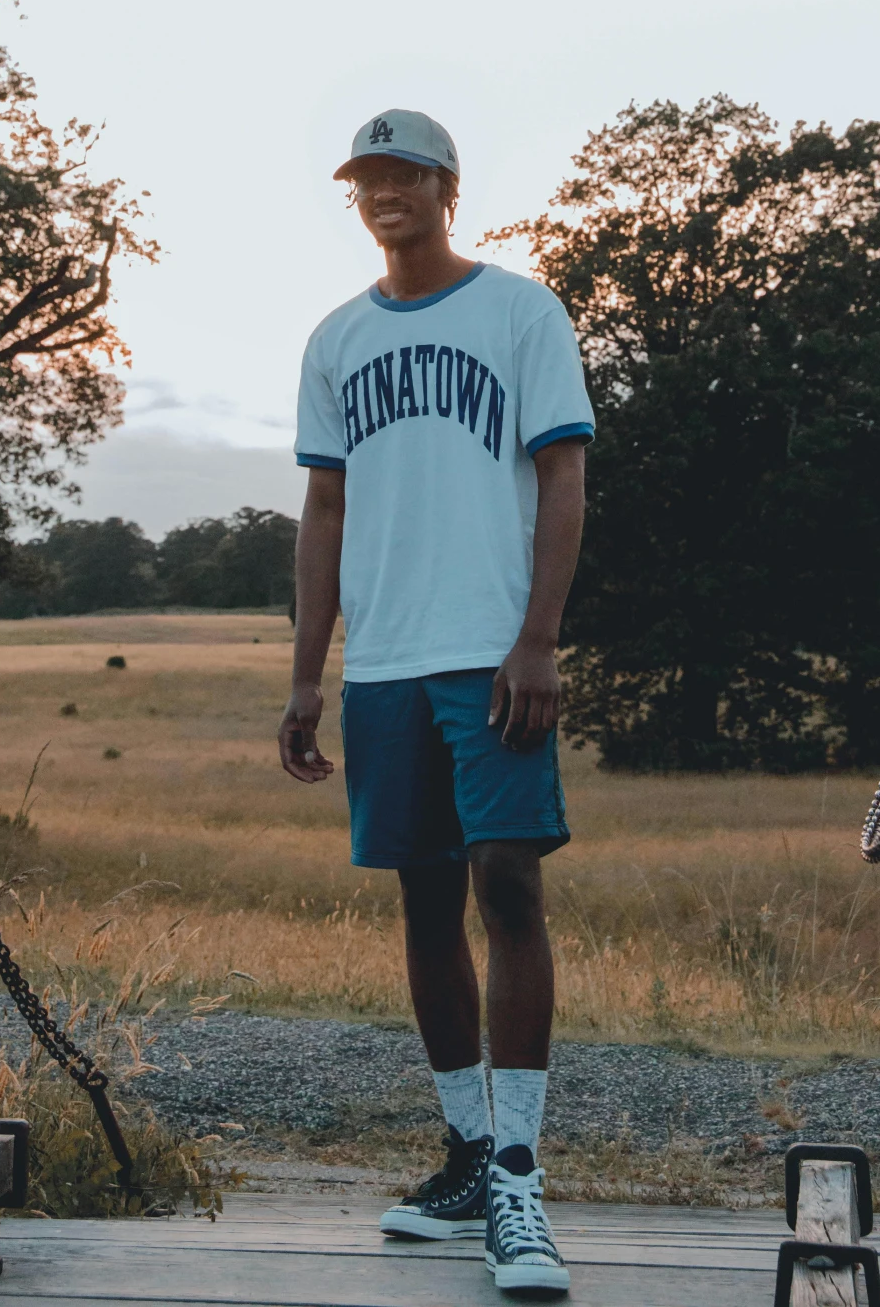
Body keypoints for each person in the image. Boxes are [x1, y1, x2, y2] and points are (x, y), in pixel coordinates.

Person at [279, 110, 593, 1295]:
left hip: (489, 650)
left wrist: (538, 636)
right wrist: (311, 672)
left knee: (508, 880)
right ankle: (464, 1150)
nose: (385, 192)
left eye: (406, 173)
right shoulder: (337, 337)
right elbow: (324, 513)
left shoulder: (520, 312)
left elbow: (562, 474)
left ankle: (518, 1177)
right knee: (421, 900)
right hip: (387, 663)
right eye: (367, 178)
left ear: (448, 187)